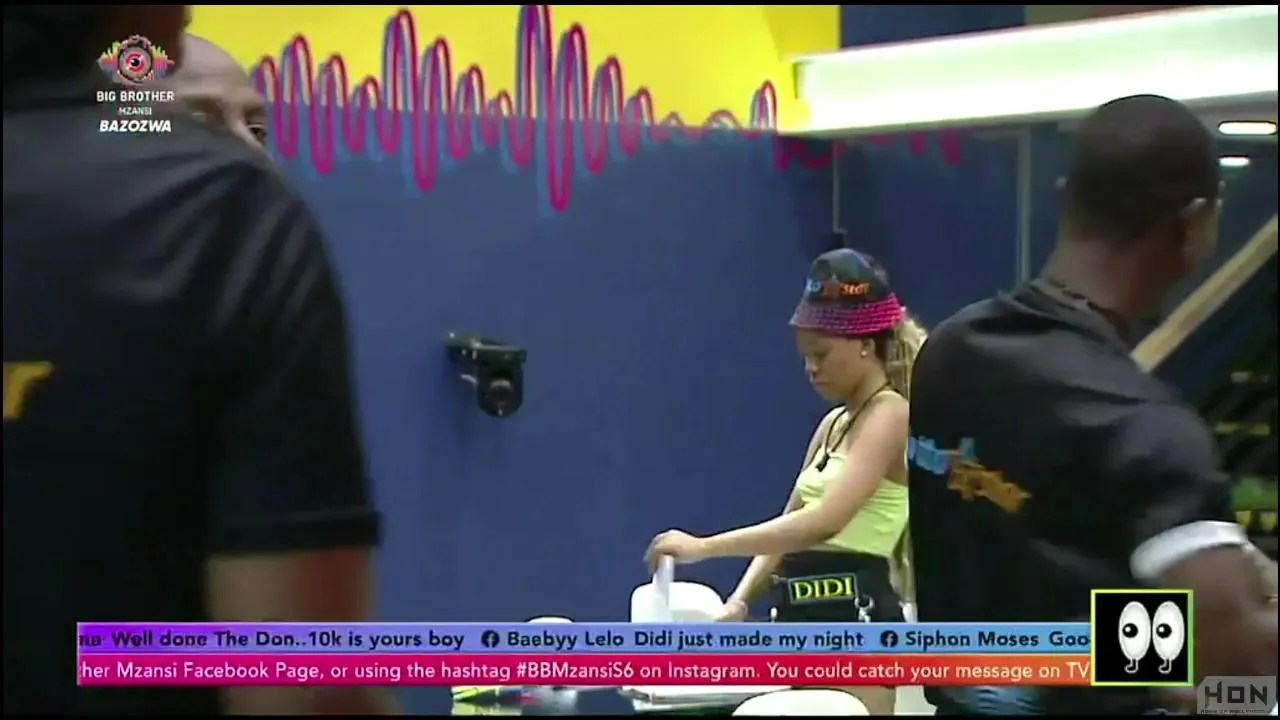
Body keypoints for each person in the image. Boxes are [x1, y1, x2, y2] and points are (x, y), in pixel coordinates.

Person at [3, 8, 392, 715]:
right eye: (197, 121)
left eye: (258, 127)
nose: (245, 152)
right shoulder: (223, 221)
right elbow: (301, 689)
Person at [907, 94, 1277, 715]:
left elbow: (1041, 603)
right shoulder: (1146, 430)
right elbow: (1239, 673)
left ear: (1065, 197)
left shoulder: (949, 353)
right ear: (1195, 225)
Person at [644, 249, 925, 715]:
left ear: (864, 343)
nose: (811, 369)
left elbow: (826, 521)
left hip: (856, 629)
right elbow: (790, 522)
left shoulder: (891, 414)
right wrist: (738, 601)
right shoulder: (833, 425)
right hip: (798, 622)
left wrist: (705, 547)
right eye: (805, 357)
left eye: (821, 354)